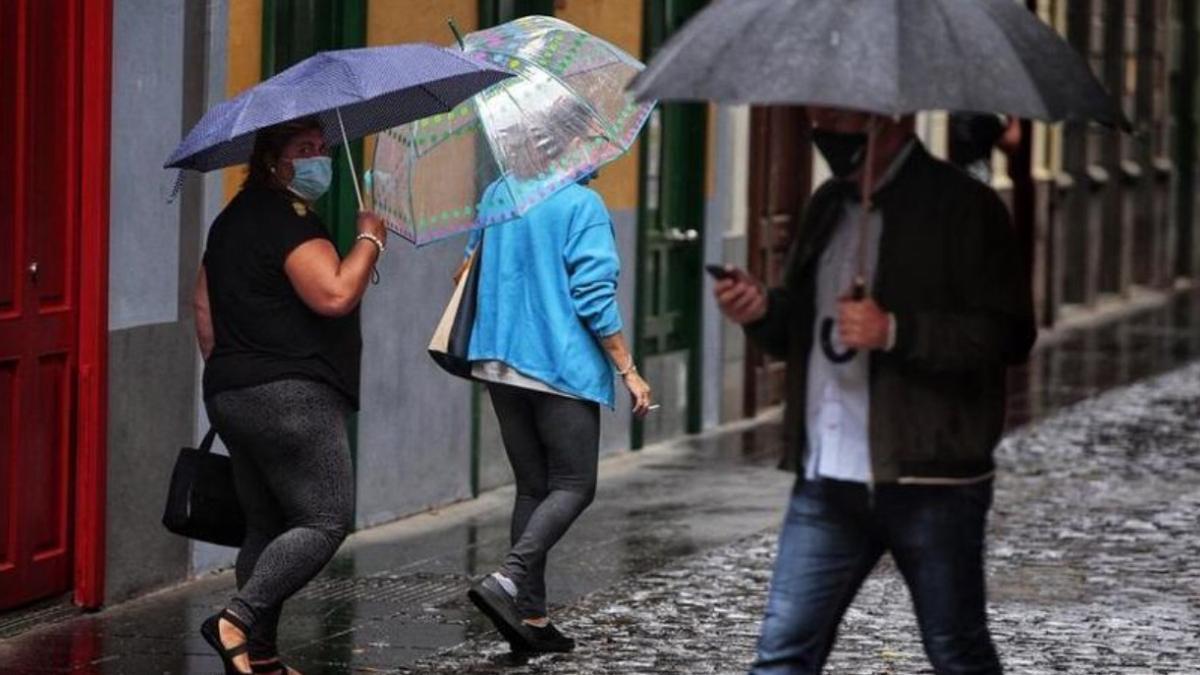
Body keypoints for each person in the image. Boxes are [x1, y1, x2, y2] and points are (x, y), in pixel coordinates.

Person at [714, 107, 1035, 675]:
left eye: (839, 109)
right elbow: (808, 330)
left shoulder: (966, 207)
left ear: (892, 114)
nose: (822, 121)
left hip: (930, 479)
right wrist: (761, 310)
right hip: (826, 479)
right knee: (781, 656)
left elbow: (1008, 333)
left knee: (956, 650)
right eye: (817, 108)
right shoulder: (828, 206)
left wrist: (895, 331)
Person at [193, 117, 388, 675]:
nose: (318, 158)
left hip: (232, 389)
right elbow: (334, 294)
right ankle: (236, 619)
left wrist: (236, 369)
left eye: (323, 148)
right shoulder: (289, 220)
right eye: (304, 149)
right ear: (273, 160)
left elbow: (202, 306)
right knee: (324, 521)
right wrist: (370, 237)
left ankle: (260, 657)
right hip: (291, 395)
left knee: (266, 525)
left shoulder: (230, 221)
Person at [460, 170, 653, 654]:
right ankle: (508, 579)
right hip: (557, 367)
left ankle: (531, 617)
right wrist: (627, 368)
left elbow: (467, 270)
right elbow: (593, 295)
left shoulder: (499, 192)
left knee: (533, 488)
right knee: (574, 486)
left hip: (500, 362)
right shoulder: (581, 205)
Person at [947, 113, 1022, 184]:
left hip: (956, 178)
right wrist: (1014, 117)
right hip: (979, 183)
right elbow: (1011, 143)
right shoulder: (986, 117)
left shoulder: (955, 114)